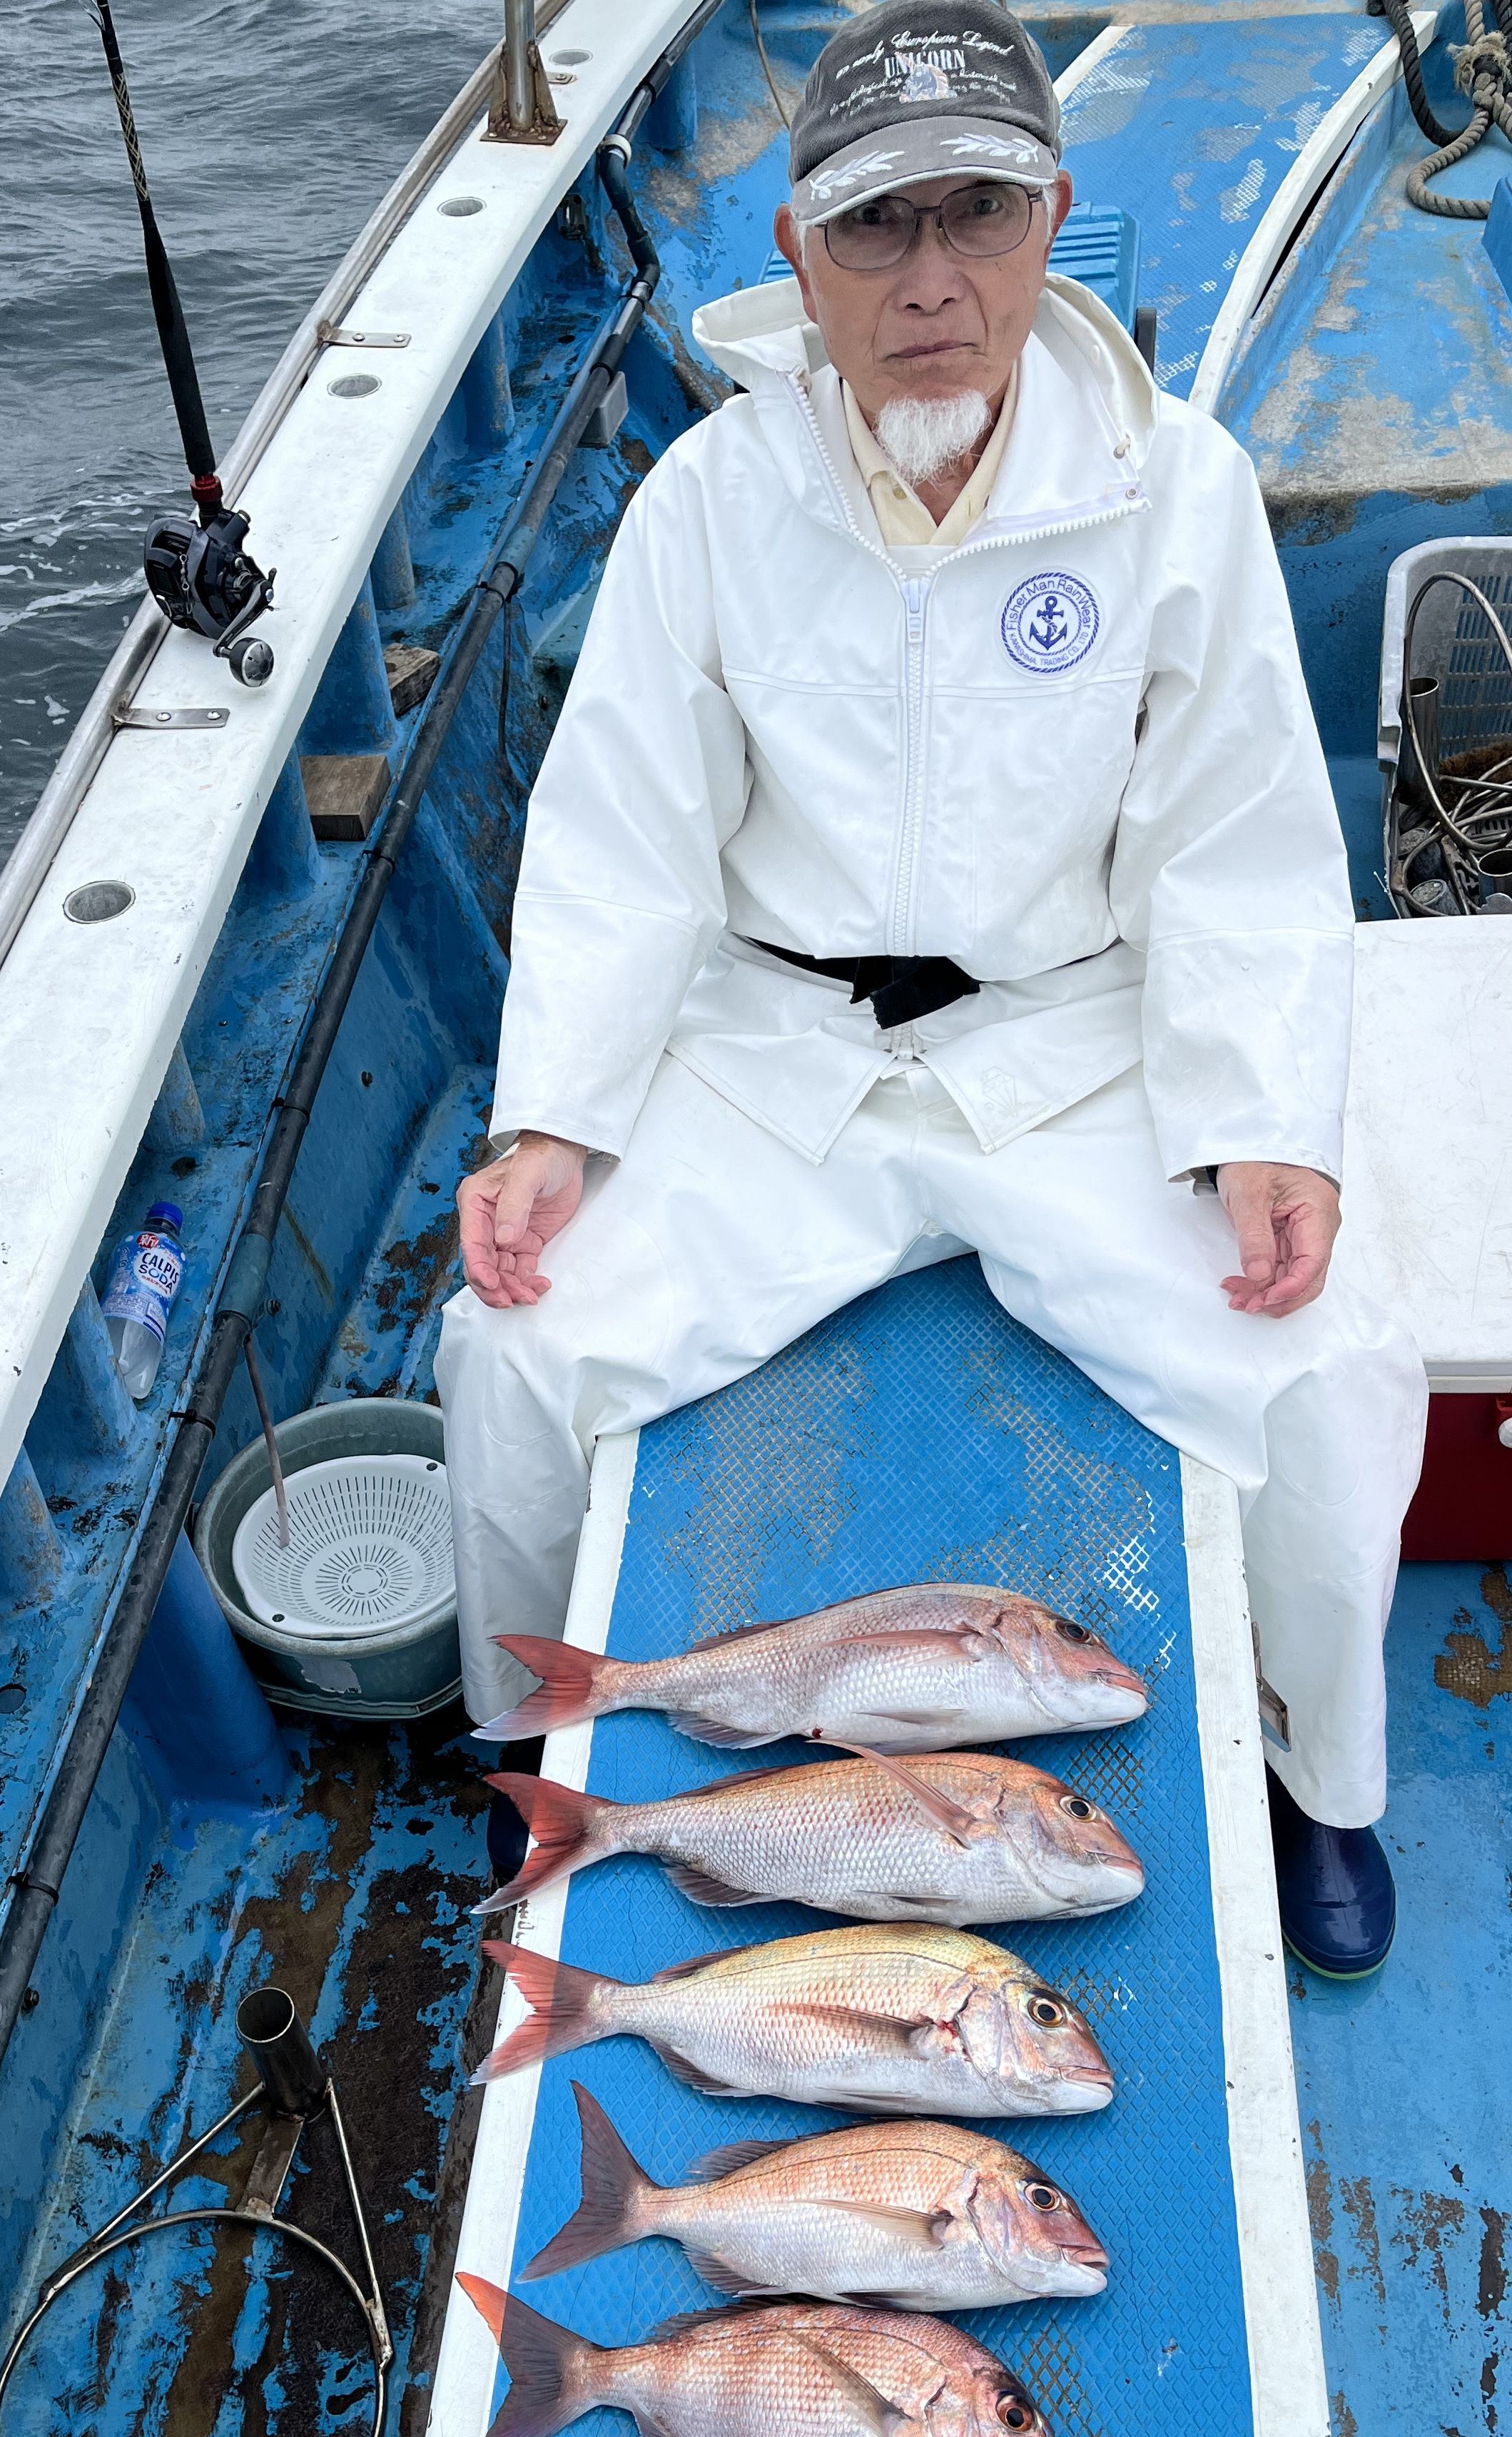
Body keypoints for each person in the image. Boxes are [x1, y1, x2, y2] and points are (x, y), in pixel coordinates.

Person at [437, 0, 1427, 1979]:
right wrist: (554, 1117)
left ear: (1052, 220)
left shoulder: (1177, 490)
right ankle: (538, 1745)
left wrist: (1257, 1121)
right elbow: (626, 836)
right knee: (510, 1356)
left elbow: (1233, 835)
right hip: (770, 1056)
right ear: (798, 255)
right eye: (875, 227)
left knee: (1332, 1371)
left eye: (977, 214)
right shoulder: (707, 503)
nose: (932, 280)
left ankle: (1323, 1777)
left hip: (1074, 1048)